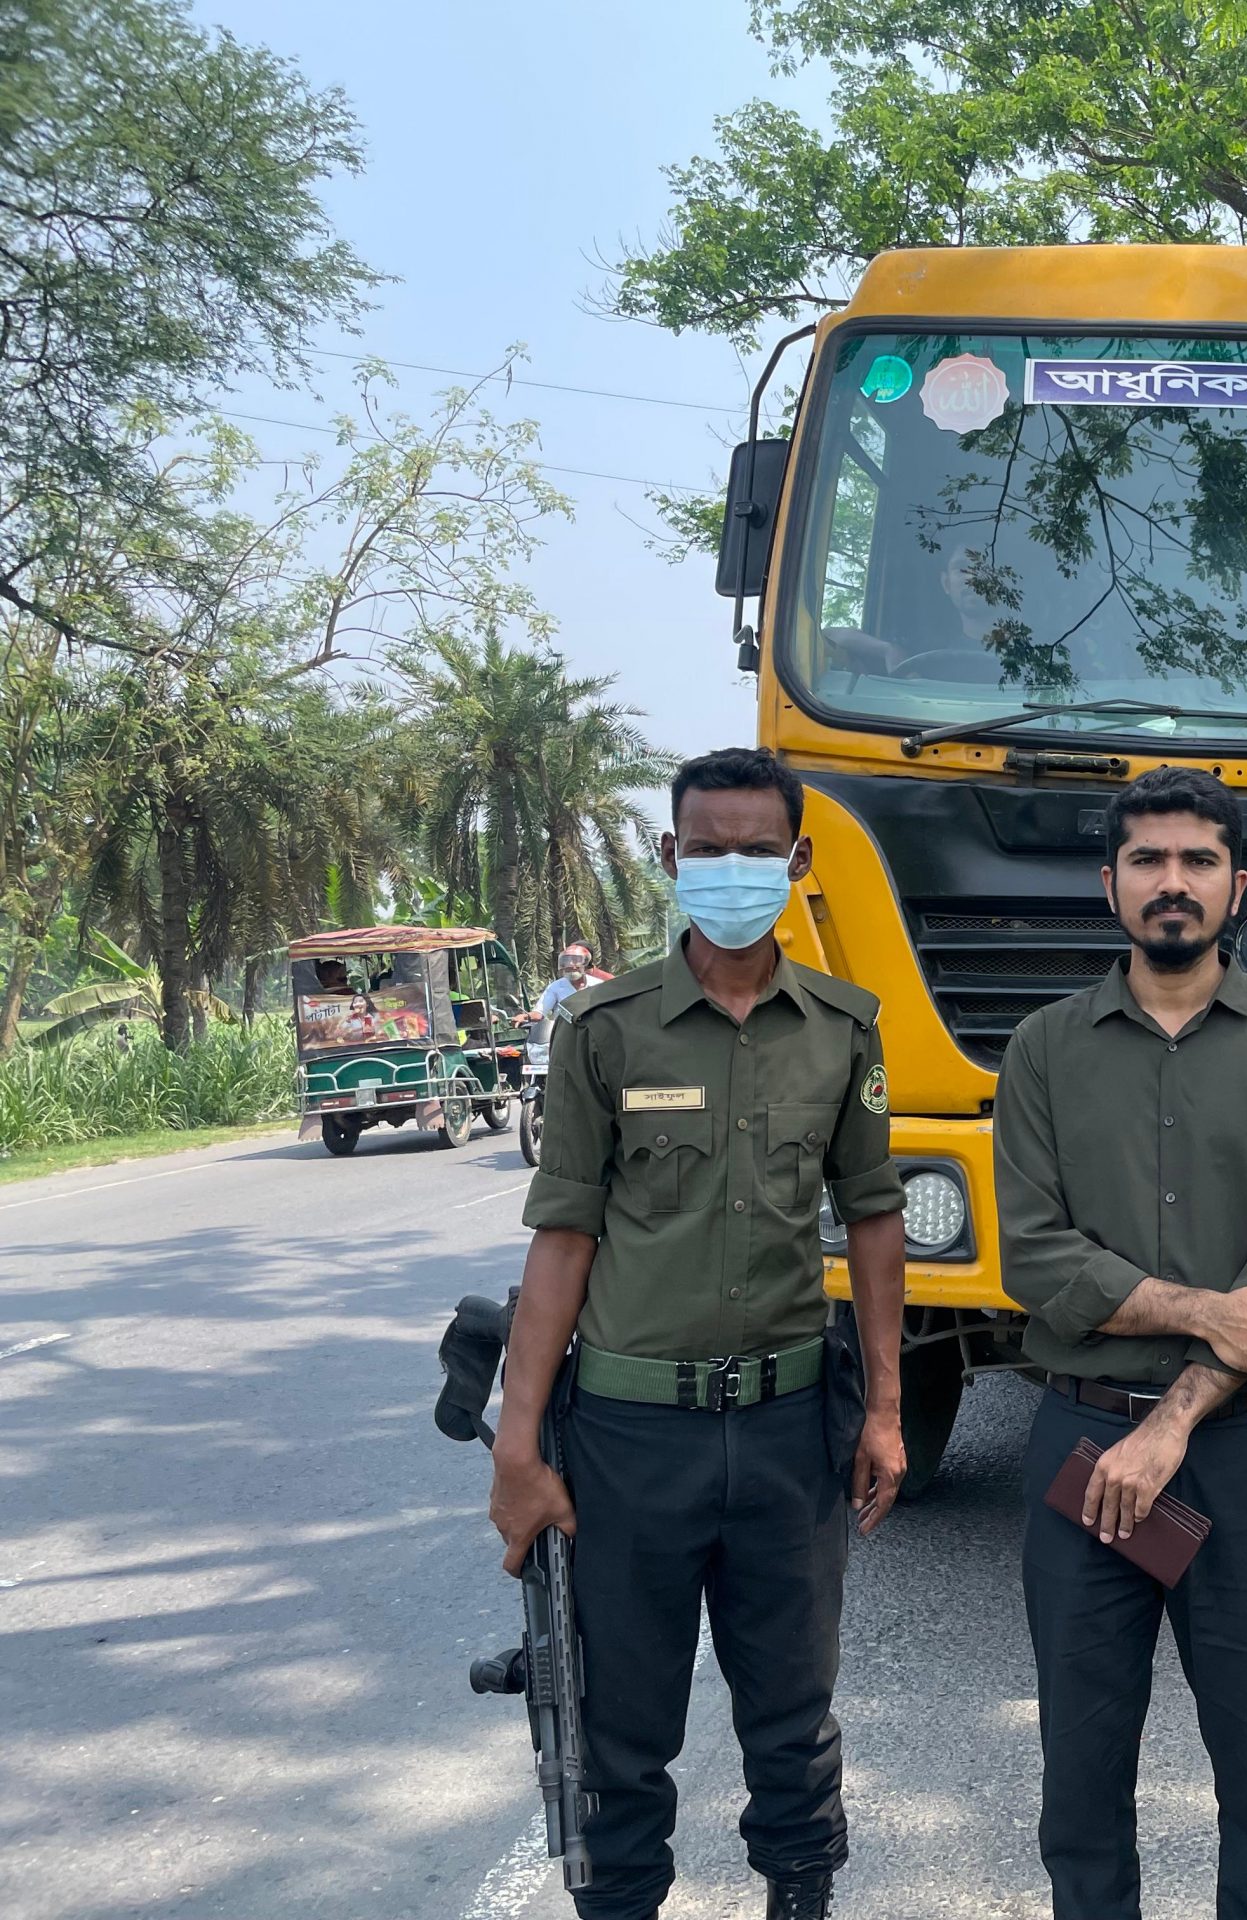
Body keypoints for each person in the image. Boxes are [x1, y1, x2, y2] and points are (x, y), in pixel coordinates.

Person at [488, 746, 910, 1920]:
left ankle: (800, 1897)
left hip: (787, 1432)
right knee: (620, 1730)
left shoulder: (842, 1029)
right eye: (709, 849)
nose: (733, 869)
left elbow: (875, 1219)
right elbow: (562, 1240)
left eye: (756, 850)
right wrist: (519, 1445)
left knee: (793, 1719)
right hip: (630, 1438)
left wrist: (883, 1410)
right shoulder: (605, 1029)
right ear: (671, 857)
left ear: (798, 860)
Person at [994, 765, 1247, 1920]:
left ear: (1237, 886)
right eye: (1148, 860)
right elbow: (1035, 1261)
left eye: (1198, 860)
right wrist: (1204, 1310)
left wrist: (1173, 1421)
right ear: (1110, 885)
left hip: (1241, 1453)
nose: (1173, 882)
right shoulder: (1042, 1048)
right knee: (1080, 1780)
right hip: (1080, 1449)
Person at [532, 942, 611, 1023]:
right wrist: (528, 1016)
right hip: (563, 1030)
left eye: (575, 960)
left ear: (586, 963)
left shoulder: (598, 985)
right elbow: (539, 1012)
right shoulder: (555, 987)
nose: (570, 964)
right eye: (566, 960)